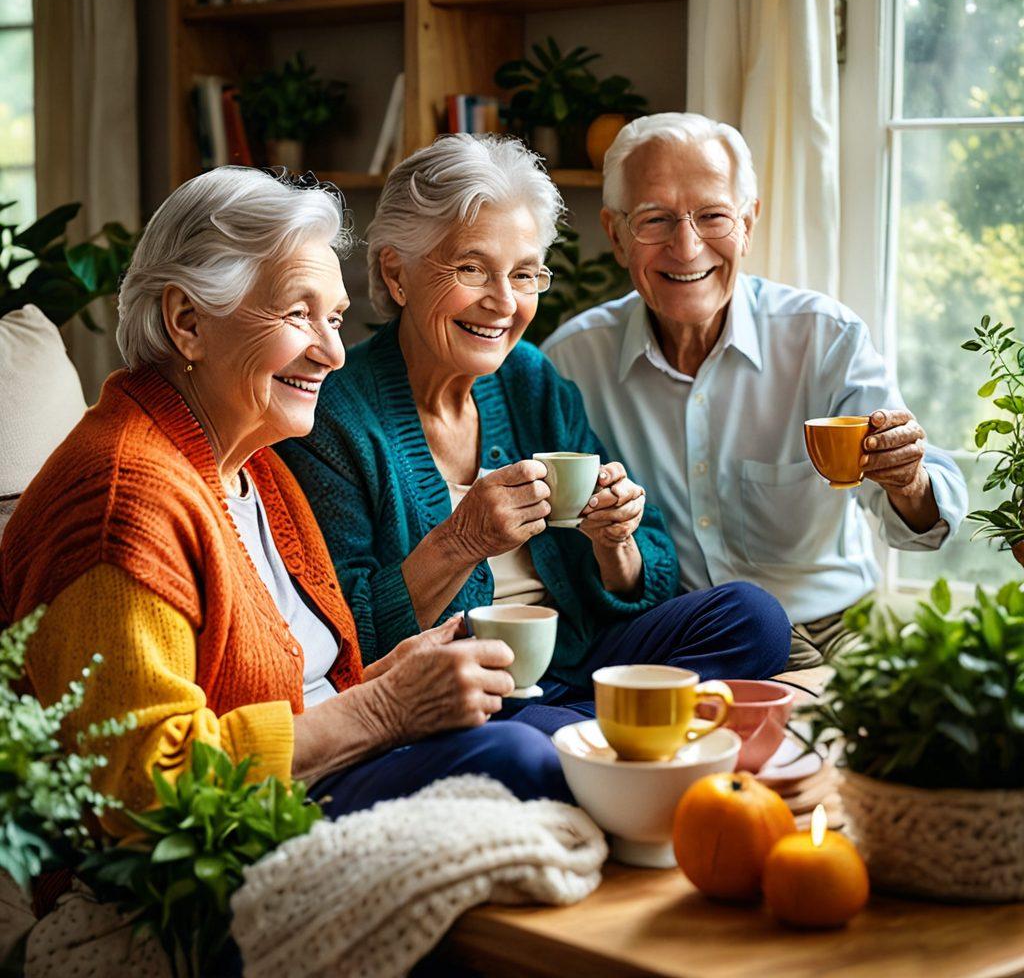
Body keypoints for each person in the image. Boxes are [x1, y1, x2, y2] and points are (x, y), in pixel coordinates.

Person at [0, 167, 572, 834]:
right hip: (228, 843)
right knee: (524, 760)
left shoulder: (251, 465)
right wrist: (386, 707)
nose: (332, 353)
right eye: (298, 314)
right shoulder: (123, 504)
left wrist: (394, 674)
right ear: (187, 322)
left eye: (334, 318)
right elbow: (141, 786)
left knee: (563, 742)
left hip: (318, 782)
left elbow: (302, 686)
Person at [279, 134, 790, 732]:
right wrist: (460, 542)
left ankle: (579, 730)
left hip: (578, 661)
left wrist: (615, 541)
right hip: (462, 691)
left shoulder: (528, 377)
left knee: (754, 619)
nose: (502, 303)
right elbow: (343, 639)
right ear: (397, 275)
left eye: (524, 274)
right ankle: (602, 732)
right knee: (526, 745)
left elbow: (651, 569)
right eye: (472, 268)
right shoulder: (335, 415)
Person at [542, 113, 968, 669]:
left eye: (713, 215)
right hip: (690, 642)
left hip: (837, 631)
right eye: (655, 220)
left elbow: (921, 526)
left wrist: (907, 480)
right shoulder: (570, 363)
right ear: (618, 236)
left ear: (748, 223)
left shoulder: (824, 338)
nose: (687, 246)